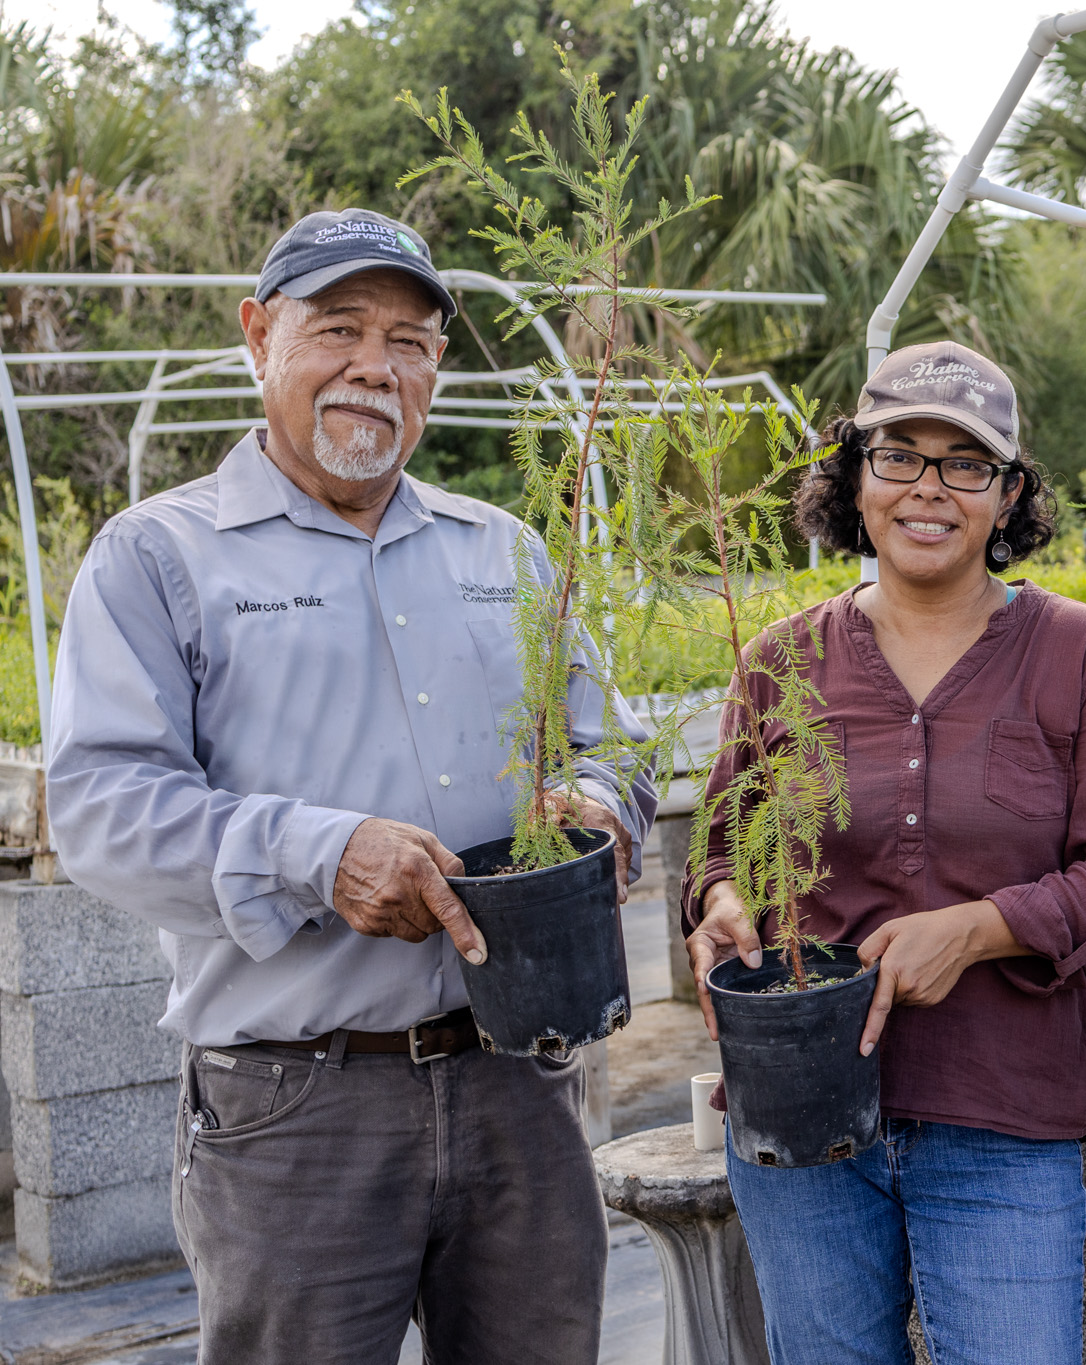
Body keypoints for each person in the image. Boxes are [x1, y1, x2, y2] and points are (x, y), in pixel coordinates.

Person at [45, 208, 654, 1363]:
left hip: (518, 1086)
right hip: (296, 1110)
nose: (377, 365)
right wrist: (319, 855)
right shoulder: (158, 557)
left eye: (412, 342)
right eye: (339, 327)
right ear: (257, 336)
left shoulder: (505, 554)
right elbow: (99, 809)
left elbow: (609, 743)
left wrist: (598, 806)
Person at [685, 340, 1086, 1365]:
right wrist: (719, 905)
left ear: (1008, 497)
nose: (928, 489)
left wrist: (980, 931)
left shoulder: (1078, 653)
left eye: (966, 464)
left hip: (997, 1120)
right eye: (898, 455)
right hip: (799, 1115)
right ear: (854, 478)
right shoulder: (780, 660)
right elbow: (719, 848)